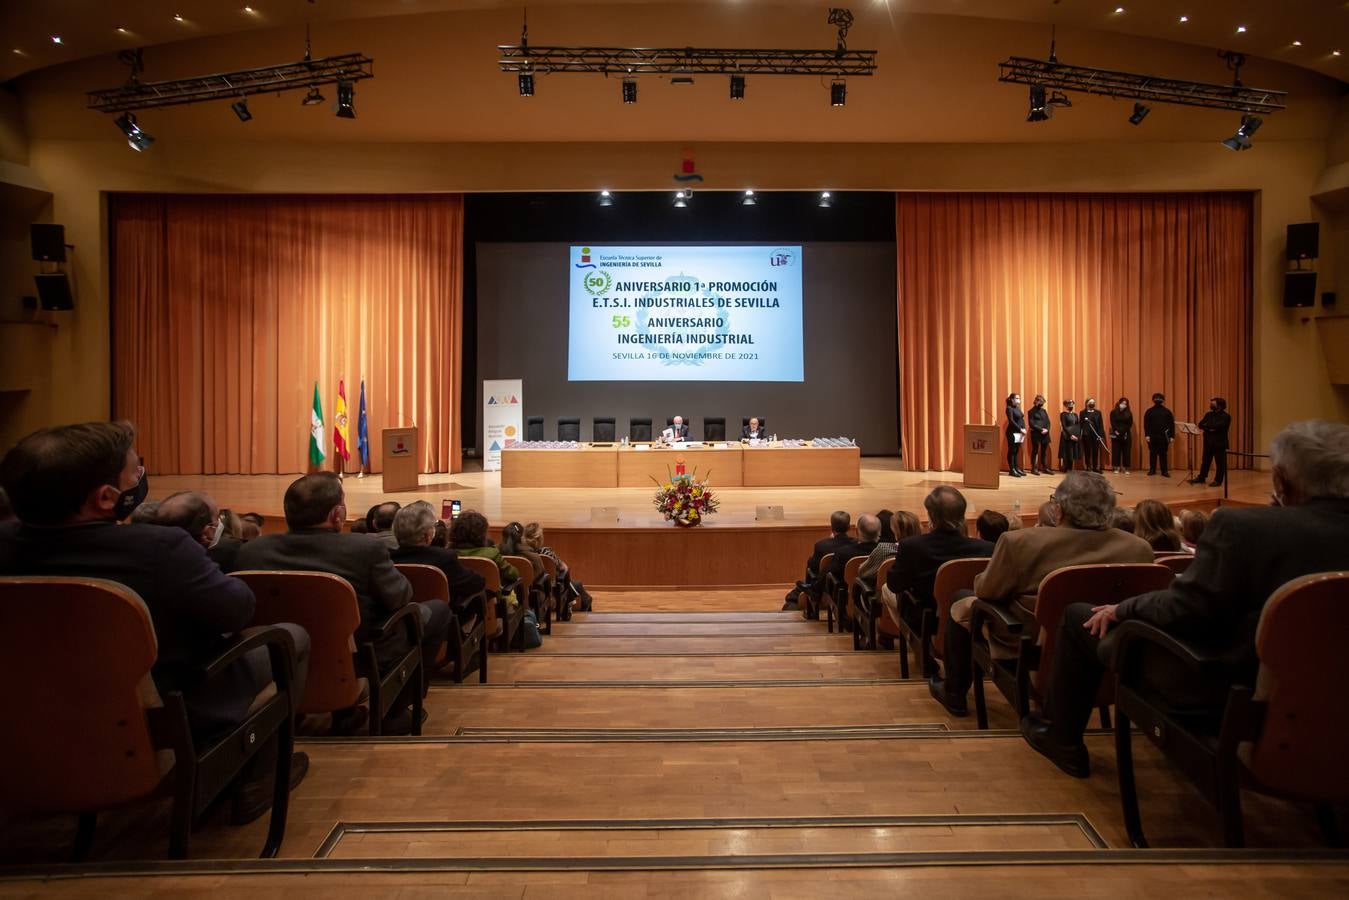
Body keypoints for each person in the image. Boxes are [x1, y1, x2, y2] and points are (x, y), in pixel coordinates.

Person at [0, 421, 310, 820]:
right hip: (164, 709)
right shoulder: (160, 549)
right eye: (135, 472)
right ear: (107, 498)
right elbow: (237, 610)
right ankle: (253, 778)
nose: (142, 478)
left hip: (29, 713)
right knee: (291, 636)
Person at [1021, 420, 1349, 778]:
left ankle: (1064, 740)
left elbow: (1186, 609)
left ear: (1281, 480)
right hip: (1325, 695)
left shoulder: (1245, 528)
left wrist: (1122, 608)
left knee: (1077, 616)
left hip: (1222, 688)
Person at [928, 471, 1154, 717]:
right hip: (1105, 640)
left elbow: (987, 590)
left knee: (961, 598)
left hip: (1026, 639)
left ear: (1059, 509)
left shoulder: (1020, 542)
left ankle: (954, 693)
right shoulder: (1139, 548)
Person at [237, 472, 440, 735]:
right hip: (357, 658)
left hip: (278, 659)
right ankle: (392, 714)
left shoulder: (251, 552)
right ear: (336, 515)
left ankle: (298, 708)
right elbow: (399, 597)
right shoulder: (363, 549)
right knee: (436, 613)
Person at [882, 487, 994, 675]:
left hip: (927, 620)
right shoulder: (987, 549)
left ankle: (921, 648)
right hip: (971, 620)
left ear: (931, 515)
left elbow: (895, 584)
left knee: (886, 589)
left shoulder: (912, 546)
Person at [389, 501, 487, 625]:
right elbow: (477, 583)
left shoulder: (387, 560)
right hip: (441, 625)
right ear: (427, 536)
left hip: (401, 624)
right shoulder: (443, 558)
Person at [156, 490, 244, 573]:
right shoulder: (226, 585)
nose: (219, 523)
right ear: (207, 533)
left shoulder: (147, 569)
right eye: (217, 518)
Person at [451, 510, 521, 609]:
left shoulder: (448, 555)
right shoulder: (491, 554)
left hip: (456, 609)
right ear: (482, 534)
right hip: (490, 609)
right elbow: (514, 575)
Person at [789, 510, 853, 615]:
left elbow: (813, 568)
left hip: (825, 589)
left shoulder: (822, 545)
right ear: (849, 527)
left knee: (793, 596)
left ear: (831, 527)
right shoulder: (855, 545)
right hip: (849, 589)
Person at [525, 521, 593, 613]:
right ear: (540, 539)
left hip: (527, 592)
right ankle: (585, 611)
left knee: (576, 586)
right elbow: (564, 568)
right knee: (578, 586)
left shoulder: (520, 555)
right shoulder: (546, 553)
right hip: (551, 591)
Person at [826, 514, 882, 627]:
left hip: (849, 604)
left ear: (856, 531)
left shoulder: (844, 553)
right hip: (879, 604)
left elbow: (831, 574)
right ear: (879, 532)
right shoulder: (885, 552)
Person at [1192, 396, 1232, 488]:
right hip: (1208, 442)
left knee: (1220, 463)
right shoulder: (1208, 414)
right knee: (1205, 461)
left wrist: (1209, 427)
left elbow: (1219, 427)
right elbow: (1200, 424)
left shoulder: (1226, 416)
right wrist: (1210, 428)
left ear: (1220, 405)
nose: (1210, 405)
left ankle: (1218, 480)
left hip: (1220, 443)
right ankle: (1202, 477)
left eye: (1213, 403)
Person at [1143, 393, 1174, 477]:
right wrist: (1147, 435)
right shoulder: (1149, 411)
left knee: (1163, 454)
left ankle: (1164, 471)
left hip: (1164, 437)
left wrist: (1172, 436)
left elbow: (1171, 425)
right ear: (1153, 400)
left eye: (1159, 398)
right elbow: (1146, 424)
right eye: (1156, 398)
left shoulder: (1167, 412)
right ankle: (1152, 470)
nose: (1158, 400)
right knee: (1152, 453)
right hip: (1152, 436)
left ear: (1163, 400)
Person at [1028, 394, 1052, 475]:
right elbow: (1031, 424)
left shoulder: (1044, 411)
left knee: (1044, 451)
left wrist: (1047, 429)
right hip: (1036, 433)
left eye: (1043, 402)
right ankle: (1034, 468)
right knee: (1035, 451)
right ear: (1036, 401)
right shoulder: (1031, 411)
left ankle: (1045, 467)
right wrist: (1041, 429)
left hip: (1045, 434)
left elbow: (1048, 422)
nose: (1042, 404)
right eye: (1041, 402)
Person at [1004, 393, 1027, 477]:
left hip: (1019, 433)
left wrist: (1024, 428)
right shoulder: (1009, 408)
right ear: (1012, 399)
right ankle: (1012, 469)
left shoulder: (1017, 408)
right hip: (1012, 432)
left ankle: (1016, 468)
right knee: (1012, 451)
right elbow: (1011, 421)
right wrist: (1020, 429)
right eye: (1017, 398)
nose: (1018, 399)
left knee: (1016, 451)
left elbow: (1021, 419)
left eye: (1019, 398)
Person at [1080, 398, 1106, 473]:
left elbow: (1101, 424)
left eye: (1093, 402)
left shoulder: (1098, 412)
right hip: (1086, 434)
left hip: (1096, 434)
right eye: (1091, 402)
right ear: (1087, 403)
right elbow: (1080, 424)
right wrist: (1080, 434)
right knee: (1087, 450)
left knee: (1095, 451)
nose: (1092, 403)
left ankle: (1095, 467)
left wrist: (1101, 435)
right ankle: (1088, 466)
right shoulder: (1082, 412)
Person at [1109, 397, 1134, 475]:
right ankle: (1116, 467)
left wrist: (1122, 431)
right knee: (1116, 451)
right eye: (1122, 403)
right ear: (1119, 403)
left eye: (1125, 404)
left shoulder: (1129, 413)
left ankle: (1126, 468)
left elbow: (1130, 424)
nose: (1123, 405)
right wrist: (1116, 431)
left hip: (1126, 434)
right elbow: (1113, 423)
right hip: (1116, 434)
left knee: (1126, 452)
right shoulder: (1113, 412)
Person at [1058, 400, 1082, 473]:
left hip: (1074, 436)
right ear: (1065, 405)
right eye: (1069, 404)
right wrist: (1071, 435)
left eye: (1072, 404)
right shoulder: (1063, 414)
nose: (1071, 405)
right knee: (1066, 453)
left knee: (1072, 453)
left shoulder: (1075, 414)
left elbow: (1078, 425)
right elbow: (1064, 426)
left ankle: (1070, 469)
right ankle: (1066, 469)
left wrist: (1077, 435)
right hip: (1067, 436)